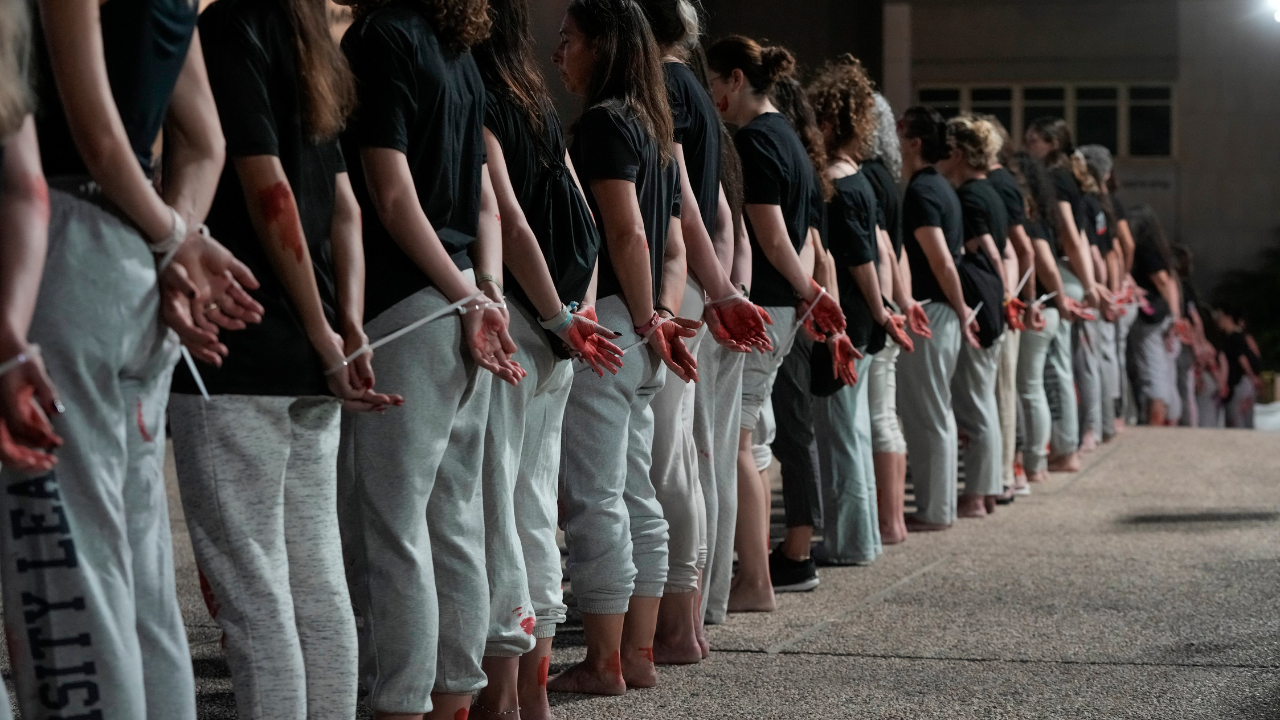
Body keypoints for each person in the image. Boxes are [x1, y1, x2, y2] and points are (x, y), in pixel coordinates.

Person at [3, 0, 265, 715]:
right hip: (135, 266)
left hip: (66, 254)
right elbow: (204, 140)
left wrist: (173, 238)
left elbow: (97, 136)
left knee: (75, 561)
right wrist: (171, 238)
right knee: (142, 568)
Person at [167, 1, 401, 717]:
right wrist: (344, 324)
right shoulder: (307, 42)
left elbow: (265, 185)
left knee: (254, 592)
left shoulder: (229, 29)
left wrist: (327, 333)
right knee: (315, 579)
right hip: (308, 348)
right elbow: (344, 210)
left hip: (242, 343)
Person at [338, 0, 524, 716]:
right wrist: (485, 291)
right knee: (452, 518)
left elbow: (388, 193)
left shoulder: (382, 37)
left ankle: (403, 700)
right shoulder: (461, 52)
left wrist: (469, 298)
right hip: (459, 296)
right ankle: (451, 697)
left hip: (409, 304)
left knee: (393, 526)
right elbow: (483, 204)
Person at [471, 0, 626, 713]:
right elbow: (584, 221)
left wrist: (560, 314)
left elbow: (505, 214)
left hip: (528, 326)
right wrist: (579, 308)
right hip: (559, 326)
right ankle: (530, 697)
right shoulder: (534, 102)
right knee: (533, 506)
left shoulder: (478, 98)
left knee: (498, 508)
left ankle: (504, 693)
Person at [548, 0, 701, 695]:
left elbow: (627, 233)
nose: (559, 52)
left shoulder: (607, 125)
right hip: (640, 328)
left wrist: (643, 319)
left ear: (605, 46)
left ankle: (605, 660)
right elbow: (672, 245)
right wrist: (663, 316)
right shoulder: (658, 130)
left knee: (597, 498)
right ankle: (635, 655)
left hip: (610, 324)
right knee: (636, 492)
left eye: (570, 39)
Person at [636, 0, 771, 664]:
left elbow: (689, 196)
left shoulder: (665, 85)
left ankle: (679, 621)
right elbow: (719, 205)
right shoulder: (688, 86)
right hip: (695, 278)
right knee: (690, 455)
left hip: (678, 281)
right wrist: (726, 285)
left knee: (672, 459)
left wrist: (714, 290)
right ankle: (692, 612)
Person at [704, 35, 847, 610]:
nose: (710, 93)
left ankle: (755, 581)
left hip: (764, 304)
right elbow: (807, 237)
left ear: (735, 80)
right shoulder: (790, 138)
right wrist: (807, 296)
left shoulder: (758, 140)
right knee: (754, 442)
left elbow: (769, 230)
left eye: (713, 81)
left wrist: (806, 291)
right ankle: (754, 576)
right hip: (782, 308)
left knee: (739, 441)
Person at [806, 55, 912, 564]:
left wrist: (878, 308)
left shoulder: (840, 188)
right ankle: (860, 537)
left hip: (845, 324)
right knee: (855, 430)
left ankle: (851, 542)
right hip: (863, 322)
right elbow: (883, 252)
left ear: (828, 122)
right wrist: (887, 310)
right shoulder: (864, 182)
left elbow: (860, 261)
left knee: (844, 434)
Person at [764, 70, 840, 591]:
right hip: (801, 302)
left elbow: (809, 245)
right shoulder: (807, 166)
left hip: (785, 301)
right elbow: (820, 248)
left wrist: (812, 301)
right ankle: (796, 547)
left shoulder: (774, 157)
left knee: (785, 433)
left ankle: (796, 551)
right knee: (794, 432)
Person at [896, 105, 979, 532]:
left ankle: (934, 510)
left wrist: (962, 309)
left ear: (913, 142)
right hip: (941, 311)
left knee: (927, 415)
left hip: (932, 312)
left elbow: (942, 261)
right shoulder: (939, 187)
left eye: (900, 130)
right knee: (936, 413)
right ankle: (938, 507)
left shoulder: (923, 192)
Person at [1023, 117, 1106, 472]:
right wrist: (1092, 280)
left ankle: (1065, 449)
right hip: (1068, 272)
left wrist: (1089, 285)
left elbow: (1072, 237)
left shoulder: (1054, 179)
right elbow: (1083, 240)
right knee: (1061, 367)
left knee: (1055, 369)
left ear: (1052, 144)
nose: (1028, 148)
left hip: (1059, 272)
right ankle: (1065, 446)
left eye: (1033, 142)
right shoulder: (1069, 177)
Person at [861, 93, 923, 544]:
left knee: (878, 415)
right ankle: (893, 518)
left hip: (878, 306)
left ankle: (888, 520)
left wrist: (886, 307)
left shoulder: (867, 177)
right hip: (891, 302)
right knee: (886, 414)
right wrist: (902, 301)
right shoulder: (889, 177)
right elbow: (895, 250)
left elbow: (882, 249)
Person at [983, 117, 1041, 498]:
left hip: (1007, 299)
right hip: (1006, 297)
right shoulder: (1001, 182)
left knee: (1004, 389)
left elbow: (1022, 247)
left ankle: (1007, 473)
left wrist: (1022, 299)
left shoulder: (998, 183)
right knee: (1004, 388)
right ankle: (1008, 470)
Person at [1011, 151, 1069, 484]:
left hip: (1037, 312)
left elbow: (1044, 263)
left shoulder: (1029, 223)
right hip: (1044, 310)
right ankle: (1036, 460)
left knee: (1029, 389)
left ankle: (1034, 462)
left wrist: (1056, 302)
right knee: (1035, 388)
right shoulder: (1041, 220)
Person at [1125, 203, 1188, 426]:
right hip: (1164, 317)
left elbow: (1162, 281)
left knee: (1153, 375)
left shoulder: (1145, 247)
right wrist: (1175, 316)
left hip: (1151, 318)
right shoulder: (1160, 247)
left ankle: (1155, 428)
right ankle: (1167, 421)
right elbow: (1169, 281)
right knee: (1166, 374)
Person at [1215, 305, 1261, 429]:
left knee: (1236, 421)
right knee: (1246, 422)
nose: (1218, 321)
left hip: (1240, 384)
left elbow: (1242, 359)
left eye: (1220, 317)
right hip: (1246, 384)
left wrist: (1252, 376)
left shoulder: (1234, 337)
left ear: (1228, 318)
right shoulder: (1243, 337)